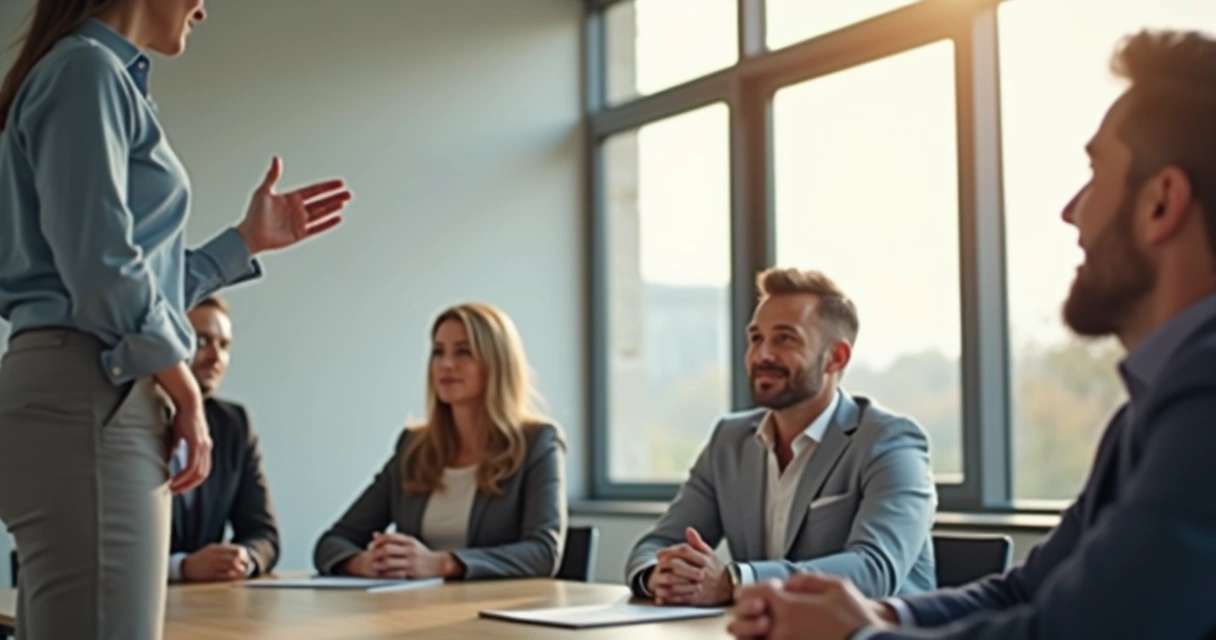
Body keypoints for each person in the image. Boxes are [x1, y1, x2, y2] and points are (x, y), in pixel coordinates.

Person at [728, 28, 1216, 640]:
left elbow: (1078, 630)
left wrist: (861, 637)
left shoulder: (1204, 395)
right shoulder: (1151, 407)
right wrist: (880, 614)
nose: (1072, 210)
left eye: (1095, 172)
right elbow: (1026, 590)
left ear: (1161, 203)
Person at [0, 0, 351, 637]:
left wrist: (243, 244)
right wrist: (184, 387)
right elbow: (103, 269)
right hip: (94, 392)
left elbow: (125, 277)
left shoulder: (90, 75)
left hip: (81, 387)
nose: (205, 10)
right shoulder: (86, 72)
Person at [625, 267, 937, 607]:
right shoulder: (729, 440)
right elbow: (658, 544)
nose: (762, 355)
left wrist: (736, 581)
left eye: (785, 338)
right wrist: (662, 574)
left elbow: (874, 570)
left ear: (836, 357)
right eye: (756, 338)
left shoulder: (890, 441)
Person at [313, 302, 567, 581]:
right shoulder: (413, 447)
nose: (446, 364)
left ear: (497, 363)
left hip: (495, 612)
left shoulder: (538, 442)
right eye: (438, 352)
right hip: (417, 610)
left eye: (463, 352)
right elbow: (332, 542)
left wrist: (444, 564)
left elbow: (543, 553)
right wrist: (366, 563)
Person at [168, 295, 279, 583]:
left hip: (210, 604)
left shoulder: (233, 424)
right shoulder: (127, 421)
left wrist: (245, 559)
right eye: (202, 341)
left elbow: (263, 533)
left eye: (224, 345)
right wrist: (181, 567)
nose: (216, 357)